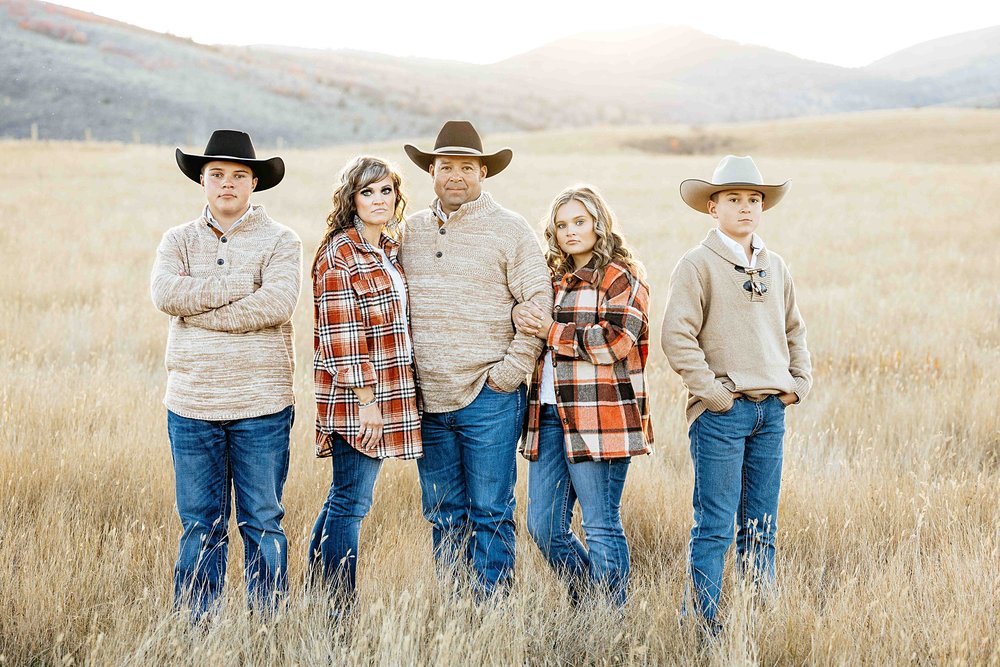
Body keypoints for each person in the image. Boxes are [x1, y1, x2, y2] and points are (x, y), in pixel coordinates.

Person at [150, 129, 302, 617]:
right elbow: (164, 294)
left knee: (262, 521)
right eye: (217, 174)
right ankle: (197, 627)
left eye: (239, 175)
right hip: (192, 405)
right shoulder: (177, 240)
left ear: (254, 182)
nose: (227, 184)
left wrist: (198, 306)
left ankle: (267, 626)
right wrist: (239, 284)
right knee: (200, 523)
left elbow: (276, 304)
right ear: (202, 180)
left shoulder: (282, 240)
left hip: (262, 405)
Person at [660, 155, 812, 635]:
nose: (745, 208)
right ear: (712, 207)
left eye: (753, 200)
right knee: (715, 526)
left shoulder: (776, 265)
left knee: (762, 526)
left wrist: (798, 383)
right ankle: (701, 624)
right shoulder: (698, 264)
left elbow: (794, 330)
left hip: (771, 411)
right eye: (733, 199)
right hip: (722, 415)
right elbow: (676, 336)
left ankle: (758, 617)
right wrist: (713, 394)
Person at [400, 120, 552, 597]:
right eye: (446, 166)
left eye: (467, 166)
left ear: (483, 172)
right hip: (428, 398)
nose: (456, 176)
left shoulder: (511, 229)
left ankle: (492, 613)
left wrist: (508, 374)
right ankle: (455, 611)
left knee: (490, 511)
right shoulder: (409, 232)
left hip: (489, 396)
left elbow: (538, 301)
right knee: (444, 513)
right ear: (432, 172)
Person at [512, 185, 653, 609]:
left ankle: (610, 618)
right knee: (543, 525)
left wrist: (550, 331)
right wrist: (521, 314)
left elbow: (616, 342)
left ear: (598, 223)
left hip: (601, 416)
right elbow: (527, 323)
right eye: (561, 225)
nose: (570, 231)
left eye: (579, 221)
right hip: (550, 415)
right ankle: (593, 600)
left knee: (600, 524)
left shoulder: (620, 276)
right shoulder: (551, 280)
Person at [308, 156, 422, 609]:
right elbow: (341, 336)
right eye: (367, 192)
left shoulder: (386, 249)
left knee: (344, 497)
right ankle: (337, 607)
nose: (378, 200)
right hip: (357, 399)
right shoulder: (340, 253)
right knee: (352, 503)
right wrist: (367, 400)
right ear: (351, 199)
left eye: (386, 191)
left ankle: (318, 596)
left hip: (385, 393)